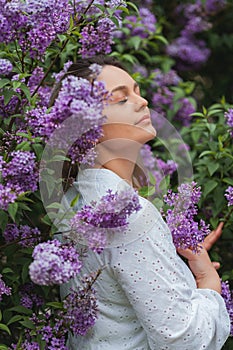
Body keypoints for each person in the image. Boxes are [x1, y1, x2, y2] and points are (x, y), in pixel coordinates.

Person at [56, 55, 230, 349]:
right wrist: (207, 280)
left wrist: (170, 264)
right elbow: (182, 340)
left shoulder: (75, 199)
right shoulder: (128, 216)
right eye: (121, 98)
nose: (142, 101)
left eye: (136, 90)